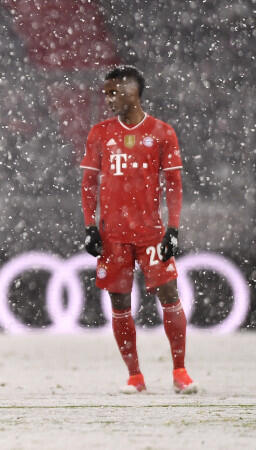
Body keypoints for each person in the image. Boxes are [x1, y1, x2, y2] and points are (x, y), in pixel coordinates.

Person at [80, 66, 197, 394]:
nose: (108, 98)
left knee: (170, 295)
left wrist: (173, 229)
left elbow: (174, 185)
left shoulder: (162, 132)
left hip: (151, 233)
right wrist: (90, 225)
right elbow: (89, 184)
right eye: (106, 92)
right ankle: (135, 375)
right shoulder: (100, 133)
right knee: (119, 304)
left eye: (114, 92)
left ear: (133, 92)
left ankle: (180, 371)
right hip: (113, 235)